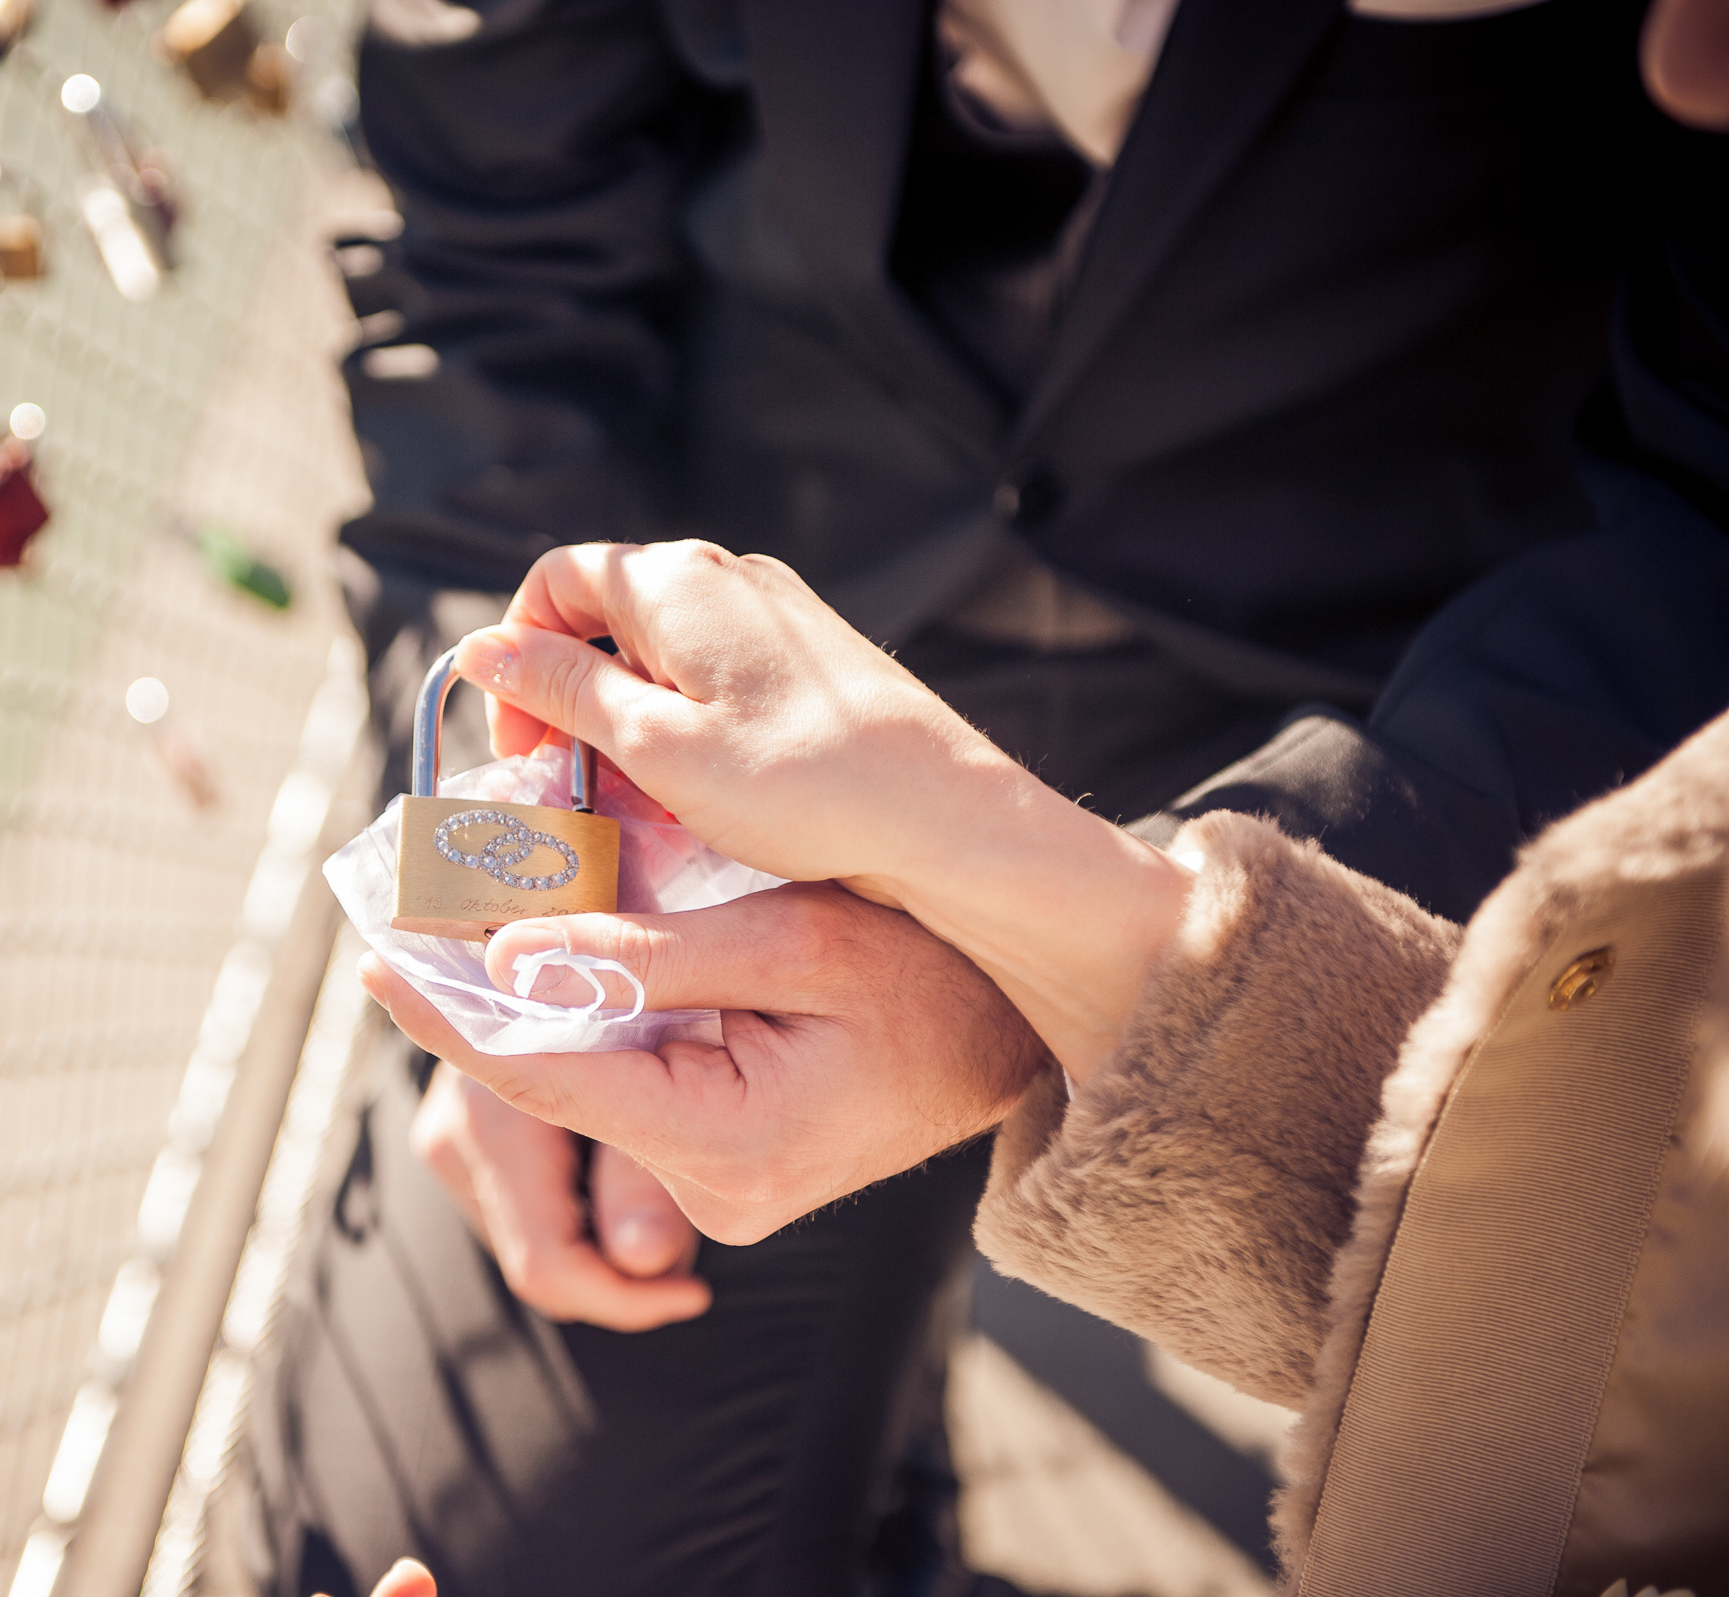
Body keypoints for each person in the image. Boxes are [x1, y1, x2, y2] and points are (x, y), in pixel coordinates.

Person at [255, 0, 1729, 1589]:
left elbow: (1706, 526)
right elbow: (493, 251)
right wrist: (531, 874)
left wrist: (1026, 969)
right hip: (726, 659)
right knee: (433, 1547)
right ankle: (886, 1500)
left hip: (1398, 696)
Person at [364, 546, 1729, 1588]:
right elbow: (479, 314)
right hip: (695, 747)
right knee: (408, 1496)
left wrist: (1003, 960)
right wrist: (520, 802)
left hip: (1304, 688)